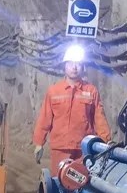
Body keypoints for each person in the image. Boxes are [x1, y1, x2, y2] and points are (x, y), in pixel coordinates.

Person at [33, 43, 111, 172]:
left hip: (83, 149)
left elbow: (99, 119)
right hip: (60, 149)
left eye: (78, 64)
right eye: (70, 63)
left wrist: (106, 142)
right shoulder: (54, 91)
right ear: (64, 65)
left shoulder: (91, 90)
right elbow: (44, 119)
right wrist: (39, 143)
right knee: (59, 180)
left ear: (82, 66)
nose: (74, 67)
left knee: (83, 181)